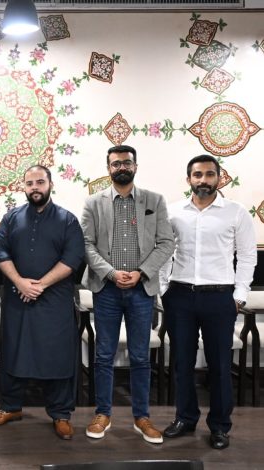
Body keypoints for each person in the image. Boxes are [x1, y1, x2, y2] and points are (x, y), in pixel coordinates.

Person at [159, 154, 256, 450]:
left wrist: (239, 295)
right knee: (182, 363)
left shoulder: (236, 213)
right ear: (188, 179)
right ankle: (185, 418)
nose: (203, 180)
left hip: (219, 298)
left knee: (220, 365)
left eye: (209, 174)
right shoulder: (173, 212)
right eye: (198, 174)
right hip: (180, 296)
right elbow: (163, 251)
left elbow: (247, 255)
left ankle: (220, 426)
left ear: (219, 177)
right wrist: (163, 289)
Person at [80, 144, 175, 444]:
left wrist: (141, 272)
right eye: (116, 163)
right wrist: (110, 272)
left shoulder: (154, 201)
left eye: (126, 163)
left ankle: (141, 417)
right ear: (108, 168)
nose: (121, 167)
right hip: (106, 289)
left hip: (141, 289)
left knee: (140, 356)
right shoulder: (93, 203)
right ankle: (103, 414)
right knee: (104, 355)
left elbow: (166, 242)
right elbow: (86, 244)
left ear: (135, 166)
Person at [0, 165, 84, 440]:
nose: (35, 187)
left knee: (57, 354)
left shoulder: (68, 220)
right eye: (30, 183)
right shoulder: (11, 218)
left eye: (40, 182)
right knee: (14, 350)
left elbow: (73, 258)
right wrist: (19, 282)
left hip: (55, 301)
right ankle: (11, 407)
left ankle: (60, 414)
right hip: (18, 299)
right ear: (24, 187)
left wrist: (40, 285)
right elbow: (0, 252)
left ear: (50, 184)